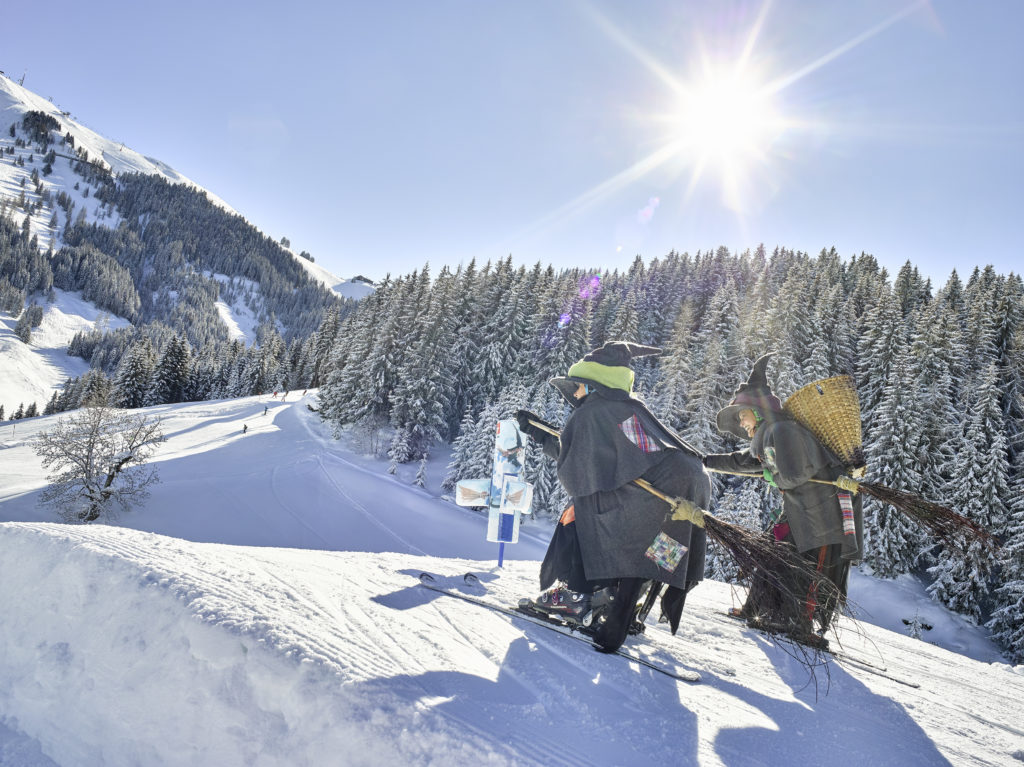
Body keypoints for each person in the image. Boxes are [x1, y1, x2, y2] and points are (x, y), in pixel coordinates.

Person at [516, 341, 710, 653]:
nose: (575, 394)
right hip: (692, 485)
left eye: (578, 386)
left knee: (582, 513)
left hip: (665, 490)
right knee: (658, 550)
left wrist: (542, 437)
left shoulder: (592, 412)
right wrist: (543, 434)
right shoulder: (628, 409)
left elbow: (579, 471)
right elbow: (620, 457)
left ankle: (576, 595)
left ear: (592, 384)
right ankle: (621, 607)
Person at [703, 354, 864, 648]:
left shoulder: (783, 431)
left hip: (821, 518)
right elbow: (745, 462)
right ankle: (757, 609)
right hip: (799, 513)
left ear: (758, 410)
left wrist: (772, 475)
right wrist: (705, 461)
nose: (741, 422)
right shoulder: (769, 435)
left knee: (808, 570)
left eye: (742, 415)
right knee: (771, 556)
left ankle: (800, 625)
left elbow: (795, 474)